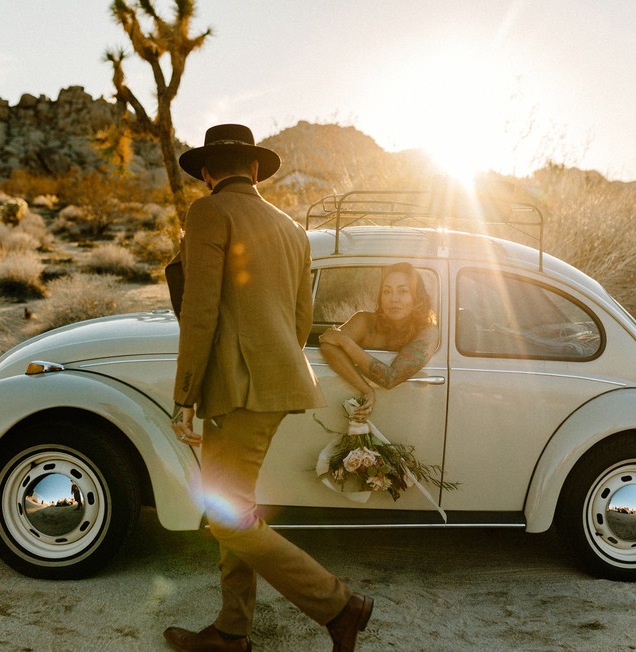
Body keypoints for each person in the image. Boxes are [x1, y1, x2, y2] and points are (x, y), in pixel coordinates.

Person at [166, 124, 373, 652]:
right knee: (234, 504)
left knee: (225, 519)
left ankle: (338, 605)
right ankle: (232, 630)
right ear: (255, 169)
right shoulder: (292, 229)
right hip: (276, 386)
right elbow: (301, 321)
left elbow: (199, 309)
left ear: (207, 172)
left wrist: (184, 395)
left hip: (235, 391)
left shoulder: (208, 211)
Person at [318, 263, 440, 421]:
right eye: (387, 291)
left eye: (403, 291)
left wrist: (345, 342)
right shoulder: (364, 320)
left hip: (406, 417)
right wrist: (366, 389)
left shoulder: (428, 333)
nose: (393, 299)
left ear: (417, 297)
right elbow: (328, 345)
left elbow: (391, 378)